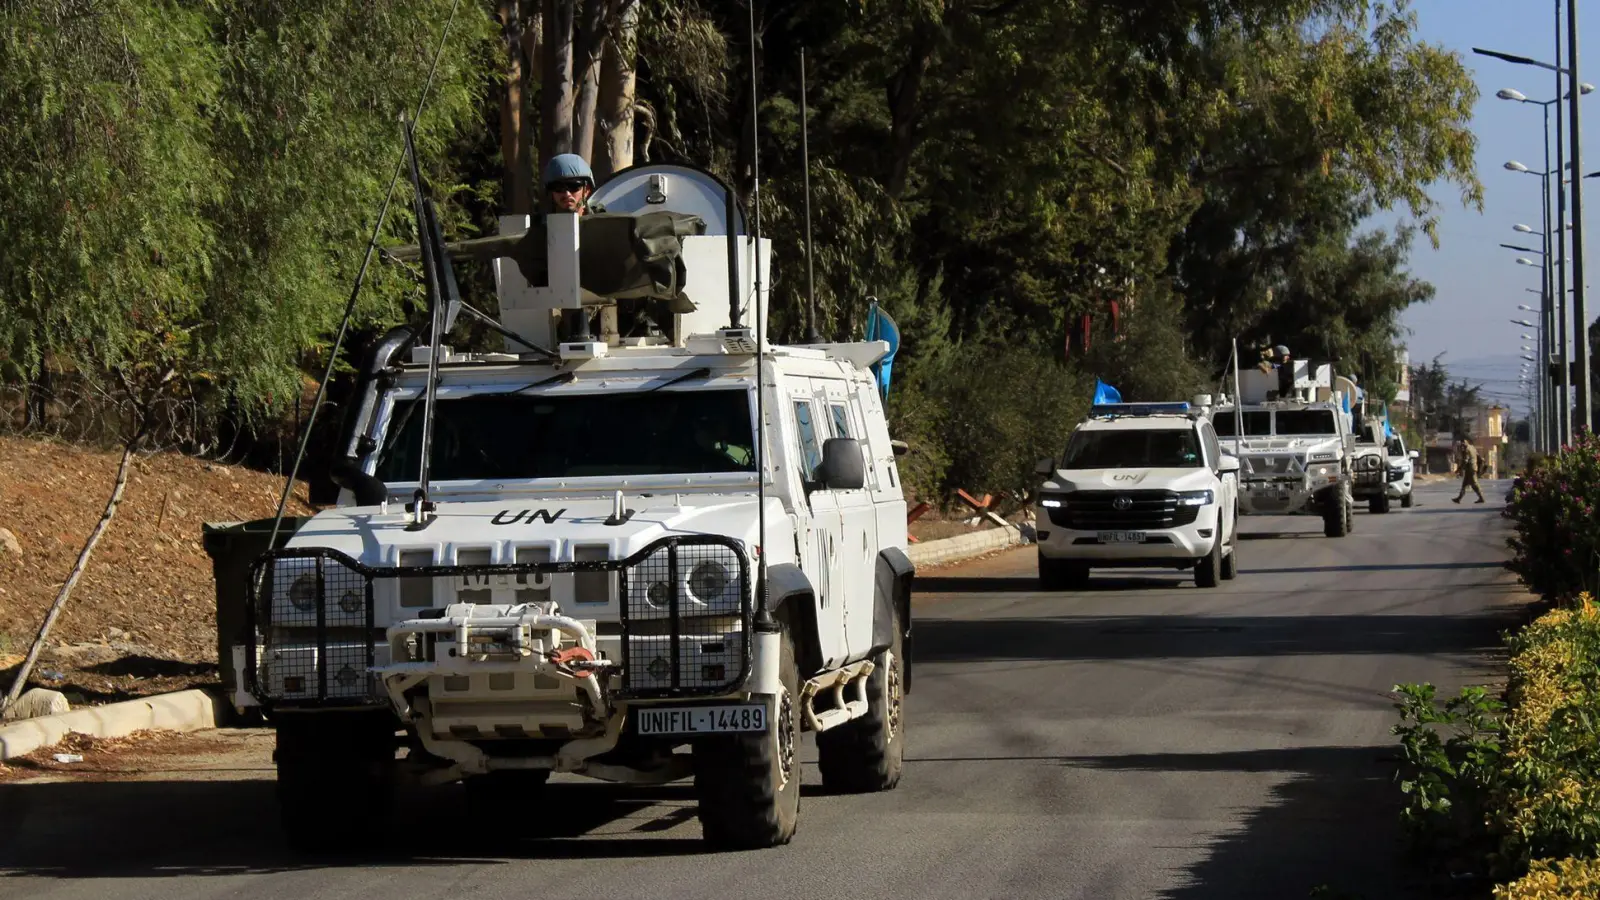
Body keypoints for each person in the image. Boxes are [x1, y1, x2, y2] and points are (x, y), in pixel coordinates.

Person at [542, 153, 606, 216]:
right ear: (551, 193)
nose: (567, 194)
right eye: (559, 188)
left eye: (573, 186)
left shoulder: (603, 224)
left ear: (586, 190)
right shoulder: (537, 226)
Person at [1452, 439, 1484, 504]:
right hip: (1472, 468)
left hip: (1470, 469)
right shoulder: (1472, 448)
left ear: (1465, 444)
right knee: (1464, 484)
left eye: (1462, 445)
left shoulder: (1466, 450)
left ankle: (1481, 498)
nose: (1462, 447)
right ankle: (1459, 498)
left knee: (1474, 484)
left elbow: (1465, 461)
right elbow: (1479, 458)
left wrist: (1459, 469)